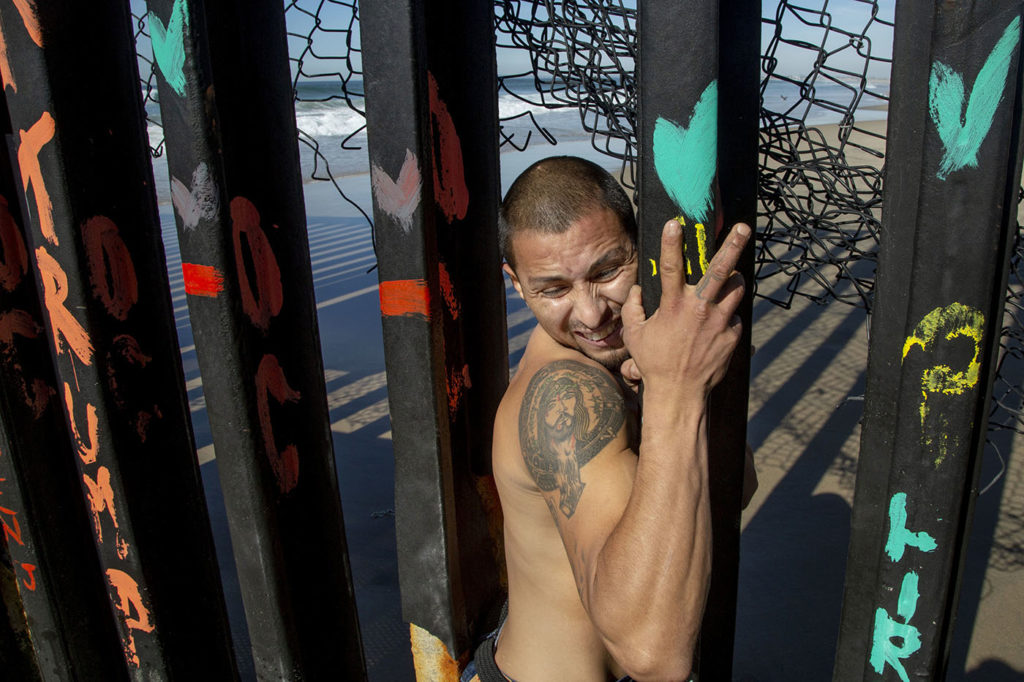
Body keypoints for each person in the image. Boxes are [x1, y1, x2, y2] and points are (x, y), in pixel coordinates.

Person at [463, 156, 753, 682]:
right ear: (516, 282)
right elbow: (654, 656)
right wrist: (677, 393)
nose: (592, 314)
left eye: (607, 271)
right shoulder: (565, 391)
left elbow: (736, 487)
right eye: (553, 289)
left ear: (638, 251)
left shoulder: (633, 358)